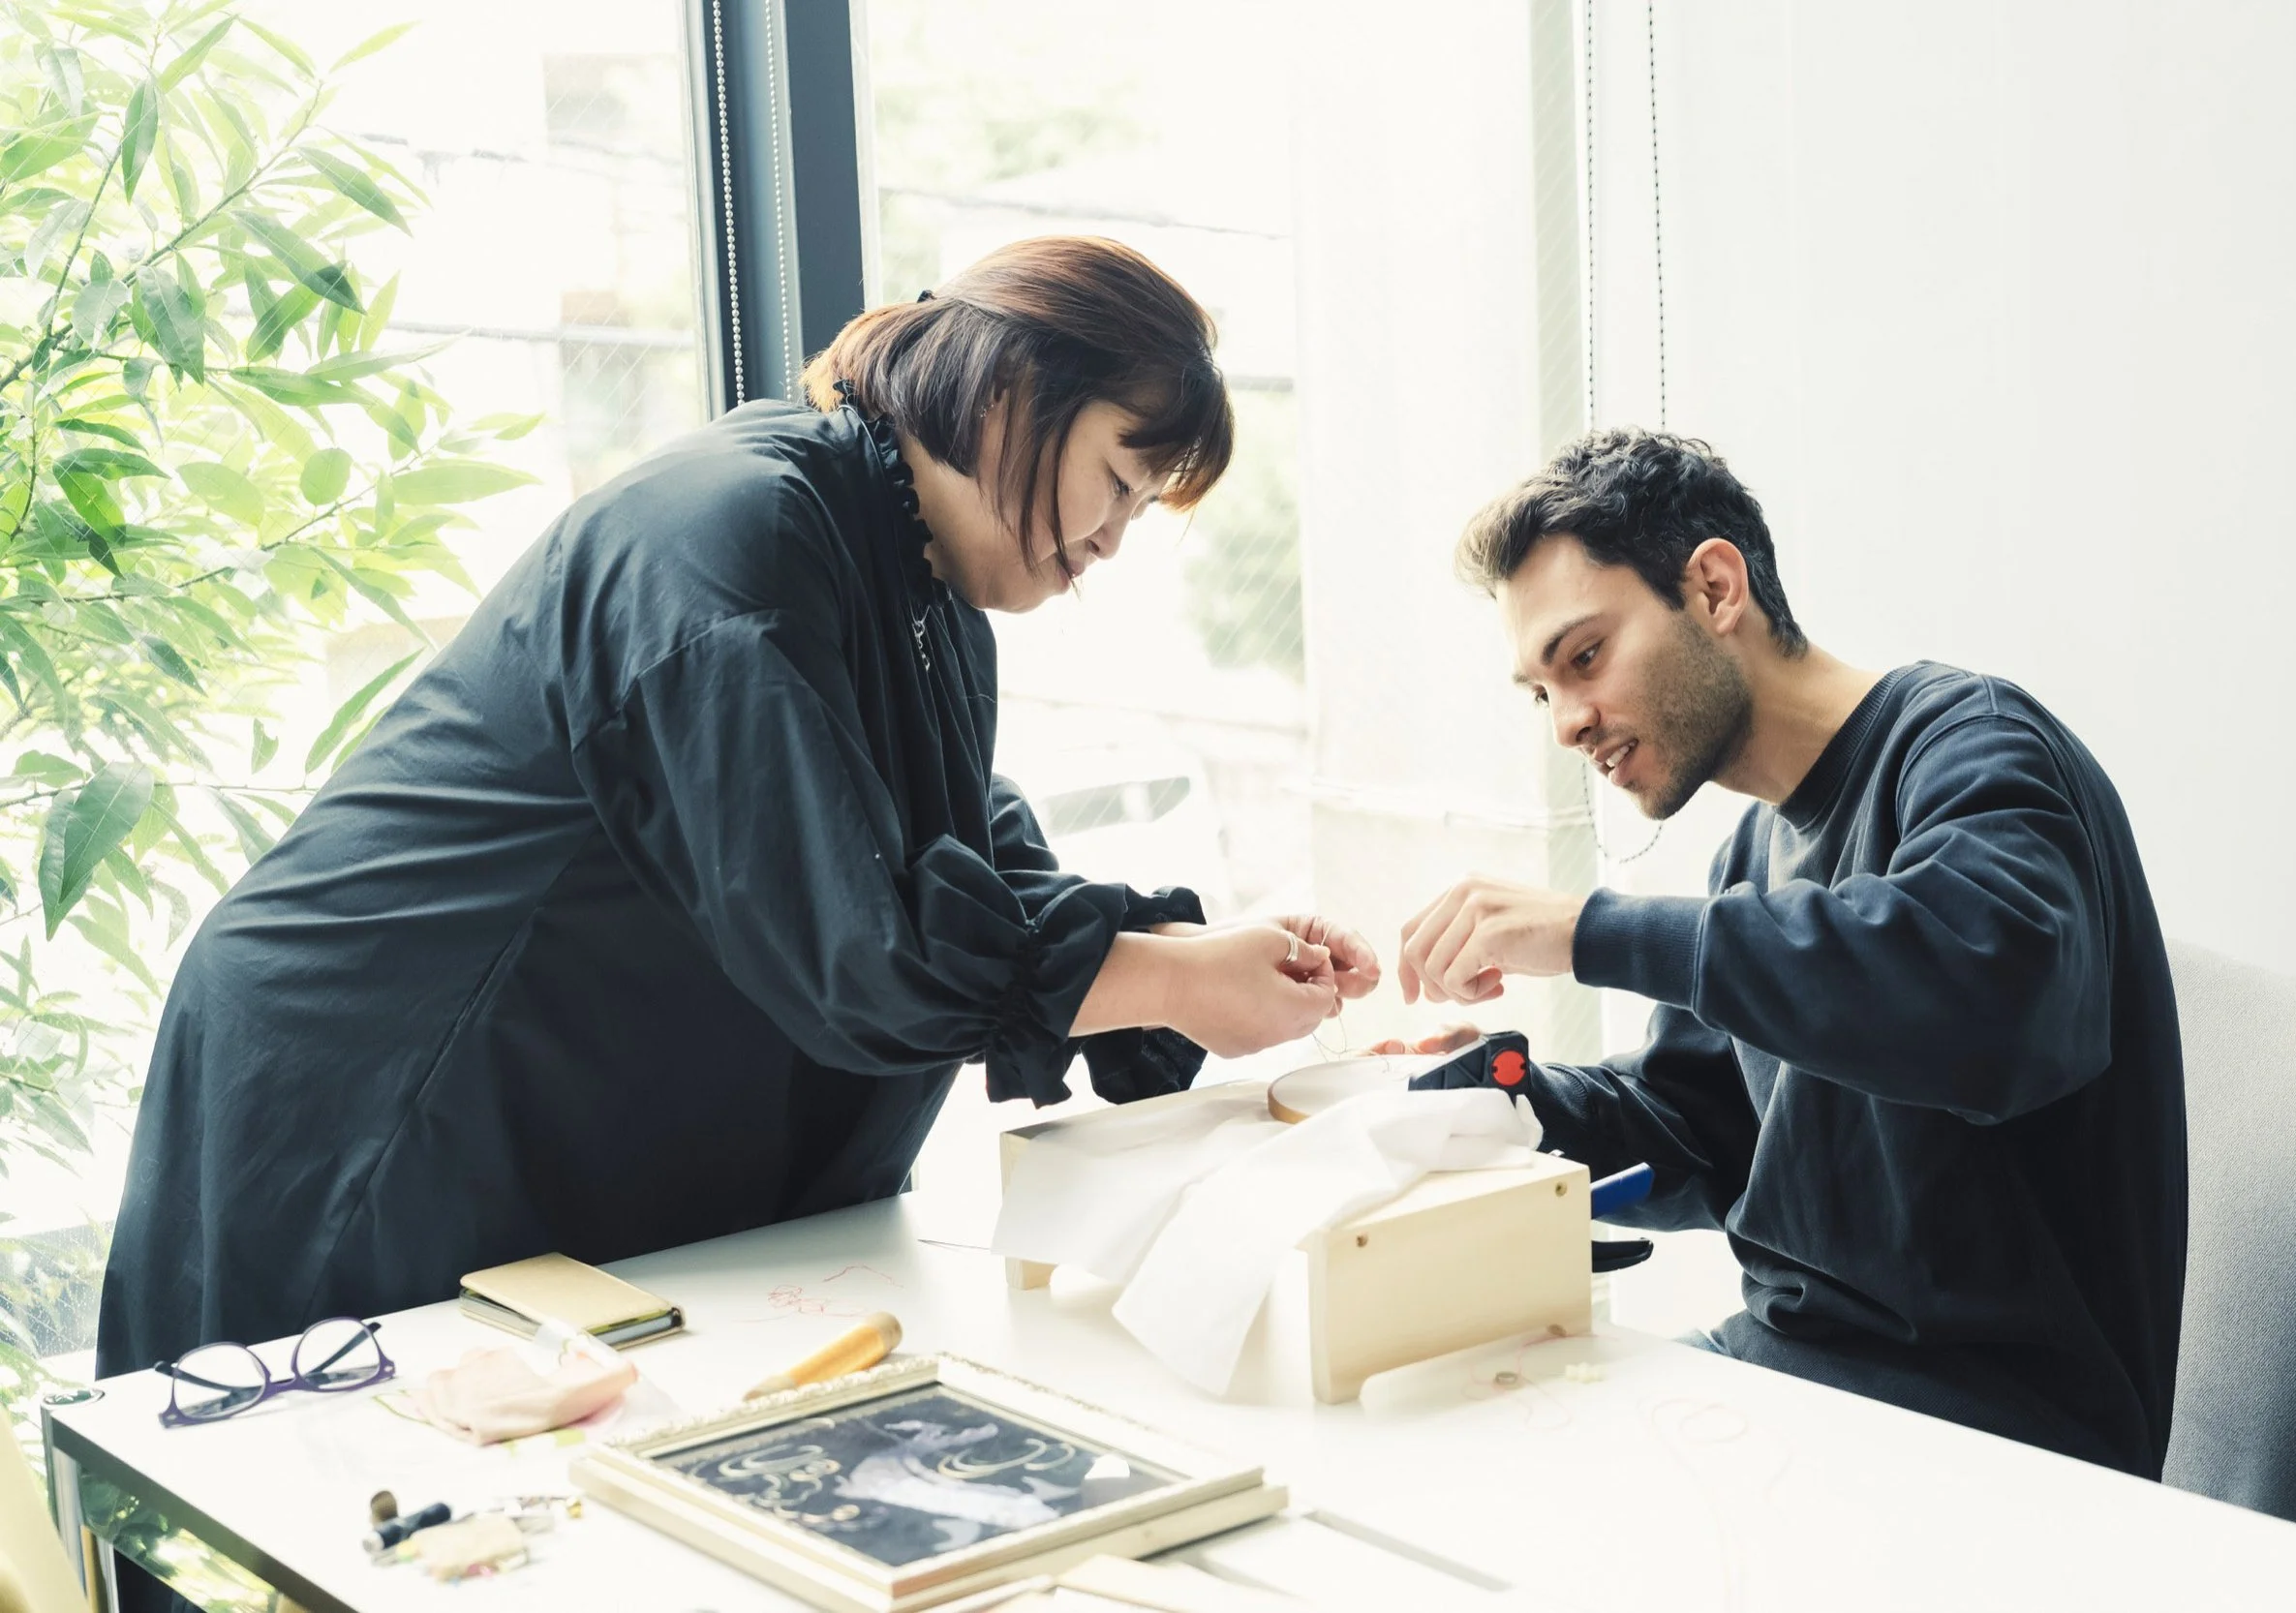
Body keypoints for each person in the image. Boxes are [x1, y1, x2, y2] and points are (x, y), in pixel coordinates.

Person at [99, 236, 1380, 1390]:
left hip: (551, 1084)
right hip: (382, 1075)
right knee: (340, 1484)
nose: (1113, 542)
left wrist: (1197, 963)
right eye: (1120, 478)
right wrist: (1161, 977)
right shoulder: (734, 536)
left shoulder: (923, 595)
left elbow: (954, 862)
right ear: (1008, 391)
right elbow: (858, 942)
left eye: (1145, 511)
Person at [1390, 429, 2187, 1477]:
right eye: (1540, 691)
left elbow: (1988, 996)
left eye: (1583, 657)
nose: (1568, 724)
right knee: (1460, 1463)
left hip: (1995, 1444)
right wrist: (1502, 1102)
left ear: (1715, 587)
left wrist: (1588, 930)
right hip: (1794, 1387)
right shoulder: (1755, 850)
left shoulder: (1974, 746)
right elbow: (1700, 1124)